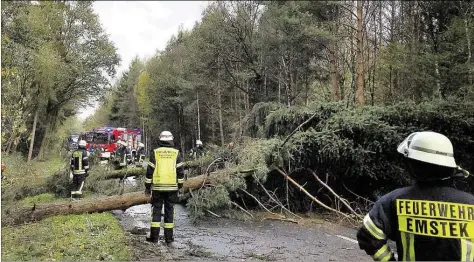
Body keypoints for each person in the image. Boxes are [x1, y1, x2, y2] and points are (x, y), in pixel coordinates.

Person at [356, 131, 473, 261]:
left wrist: (388, 260)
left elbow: (367, 236)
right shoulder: (471, 204)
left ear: (413, 165)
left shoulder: (393, 201)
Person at [145, 131, 185, 244]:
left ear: (160, 140)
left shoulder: (155, 152)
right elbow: (180, 171)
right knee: (169, 211)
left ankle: (154, 237)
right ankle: (169, 238)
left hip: (157, 187)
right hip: (172, 188)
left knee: (156, 211)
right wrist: (180, 185)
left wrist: (147, 187)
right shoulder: (176, 153)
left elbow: (149, 171)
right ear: (171, 140)